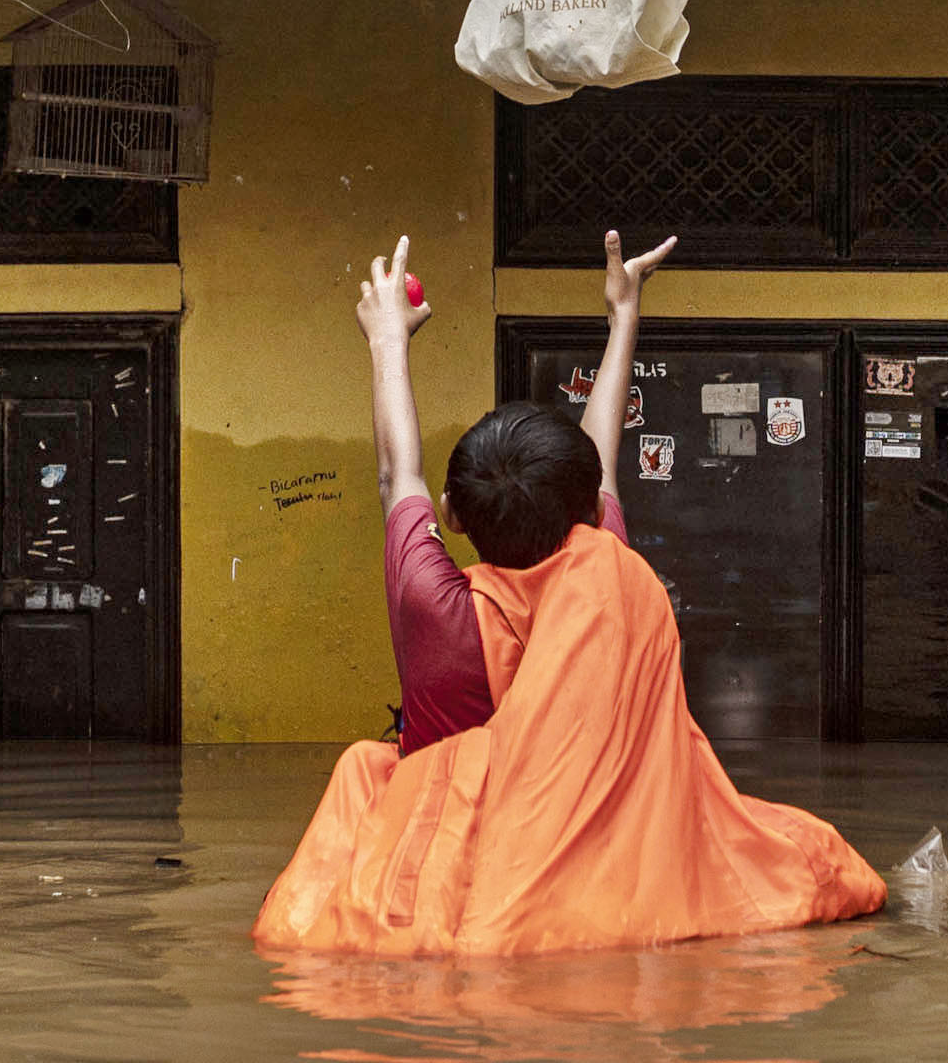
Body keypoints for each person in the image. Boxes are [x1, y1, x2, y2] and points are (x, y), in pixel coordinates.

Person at [253, 230, 885, 958]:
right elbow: (603, 459)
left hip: (433, 874)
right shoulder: (603, 573)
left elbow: (397, 475)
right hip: (596, 869)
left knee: (367, 775)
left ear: (451, 518)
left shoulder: (435, 609)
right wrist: (623, 317)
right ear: (585, 514)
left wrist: (387, 339)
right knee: (799, 853)